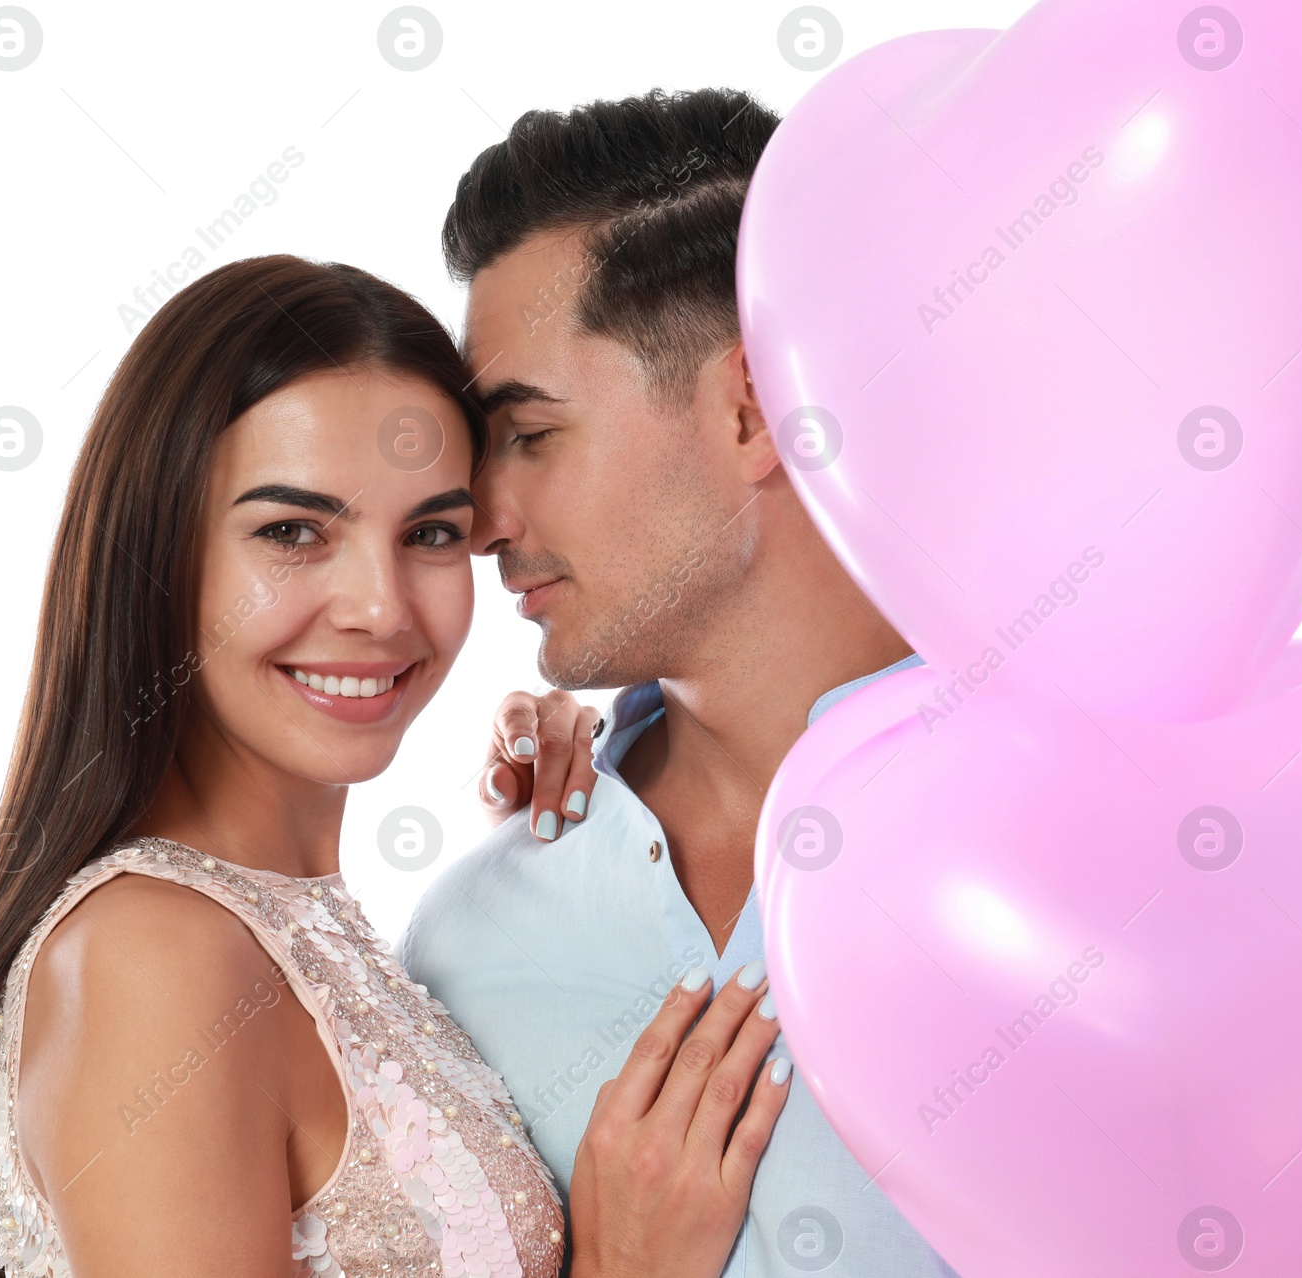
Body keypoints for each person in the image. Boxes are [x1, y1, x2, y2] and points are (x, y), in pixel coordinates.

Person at [0, 255, 792, 1278]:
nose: (381, 607)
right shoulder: (154, 957)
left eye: (429, 534)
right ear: (156, 550)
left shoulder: (285, 923)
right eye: (293, 532)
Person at [400, 89, 960, 1276]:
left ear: (755, 412)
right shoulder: (461, 951)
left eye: (531, 434)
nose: (484, 519)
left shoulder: (1094, 838)